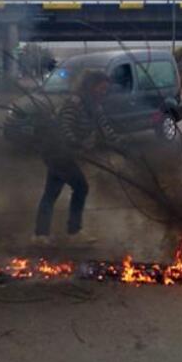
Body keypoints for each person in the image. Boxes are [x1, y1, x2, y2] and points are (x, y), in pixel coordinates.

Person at [34, 71, 122, 246]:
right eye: (101, 88)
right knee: (81, 187)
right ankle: (73, 232)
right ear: (91, 86)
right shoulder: (74, 104)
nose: (103, 92)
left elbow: (105, 128)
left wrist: (121, 145)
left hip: (66, 153)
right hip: (56, 152)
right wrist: (76, 144)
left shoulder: (95, 106)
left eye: (106, 89)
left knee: (52, 192)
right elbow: (64, 128)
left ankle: (40, 235)